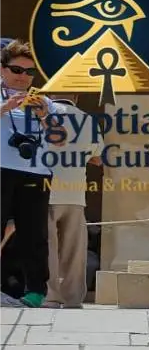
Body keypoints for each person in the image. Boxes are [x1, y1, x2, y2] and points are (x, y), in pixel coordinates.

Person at [0, 39, 60, 307]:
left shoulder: (43, 100)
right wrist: (5, 108)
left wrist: (46, 116)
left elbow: (61, 139)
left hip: (37, 172)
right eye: (16, 70)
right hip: (1, 169)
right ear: (2, 70)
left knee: (34, 233)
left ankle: (35, 291)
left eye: (29, 71)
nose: (23, 76)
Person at [44, 97, 102, 309]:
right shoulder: (88, 120)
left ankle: (50, 296)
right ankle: (73, 298)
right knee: (74, 250)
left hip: (45, 189)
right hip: (76, 193)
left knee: (47, 247)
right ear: (76, 97)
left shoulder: (40, 115)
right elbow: (98, 158)